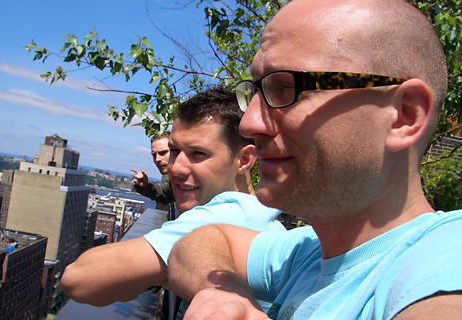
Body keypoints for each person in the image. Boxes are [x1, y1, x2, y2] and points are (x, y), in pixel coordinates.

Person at [167, 0, 462, 319]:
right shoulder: (309, 251)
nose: (249, 123)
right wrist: (229, 298)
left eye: (287, 88)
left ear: (403, 115)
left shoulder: (442, 266)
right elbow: (201, 243)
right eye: (255, 91)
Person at [61, 88, 286, 309]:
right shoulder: (261, 216)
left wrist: (168, 271)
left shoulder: (222, 217)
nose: (175, 168)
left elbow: (78, 279)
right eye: (175, 151)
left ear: (245, 160)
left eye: (199, 154)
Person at [132, 131, 176, 220]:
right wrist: (145, 186)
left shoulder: (194, 179)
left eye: (163, 153)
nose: (157, 159)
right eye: (154, 155)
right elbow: (165, 195)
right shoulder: (176, 180)